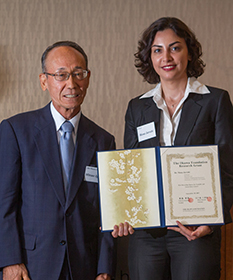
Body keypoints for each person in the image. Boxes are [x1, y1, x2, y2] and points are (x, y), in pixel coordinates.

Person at [112, 17, 233, 280]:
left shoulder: (215, 101)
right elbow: (132, 171)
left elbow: (228, 168)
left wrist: (210, 222)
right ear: (150, 57)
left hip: (196, 231)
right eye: (157, 50)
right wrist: (121, 212)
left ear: (189, 53)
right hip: (147, 233)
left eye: (175, 48)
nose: (166, 57)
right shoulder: (137, 107)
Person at [0, 41, 116, 280]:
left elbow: (109, 213)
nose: (71, 84)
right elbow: (4, 204)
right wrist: (10, 261)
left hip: (84, 266)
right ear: (44, 81)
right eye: (61, 75)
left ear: (88, 78)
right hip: (30, 266)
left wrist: (104, 269)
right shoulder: (15, 130)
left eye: (78, 74)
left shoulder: (104, 140)